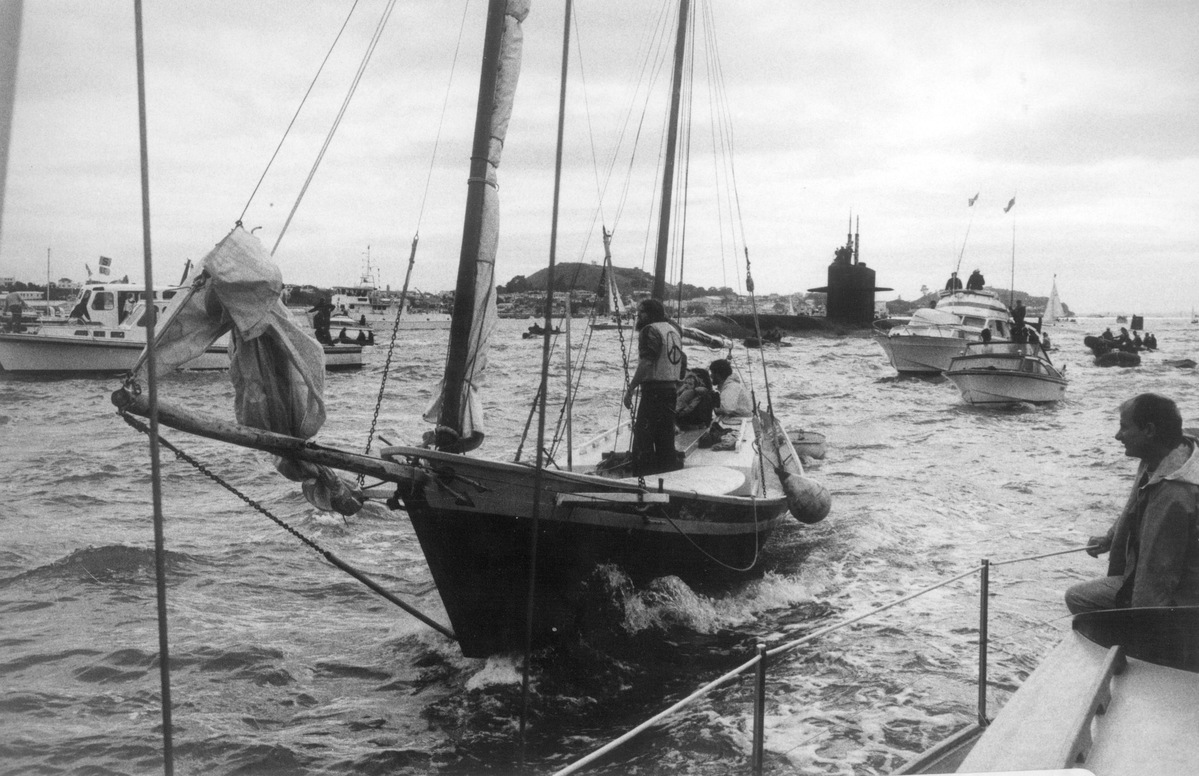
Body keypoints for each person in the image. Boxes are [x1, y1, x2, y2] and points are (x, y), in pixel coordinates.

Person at [1064, 393, 1199, 614]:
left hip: (1183, 602)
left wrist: (1140, 630)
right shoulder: (1165, 451)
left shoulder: (1174, 492)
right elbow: (1138, 503)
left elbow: (1155, 577)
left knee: (1079, 598)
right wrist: (1110, 537)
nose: (1118, 436)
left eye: (1124, 427)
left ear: (1149, 431)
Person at [623, 298, 684, 475]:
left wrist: (631, 388)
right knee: (665, 439)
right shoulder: (674, 330)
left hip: (654, 392)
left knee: (644, 439)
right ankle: (668, 476)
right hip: (670, 391)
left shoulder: (649, 330)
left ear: (649, 314)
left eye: (640, 312)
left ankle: (642, 479)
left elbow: (647, 363)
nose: (637, 316)